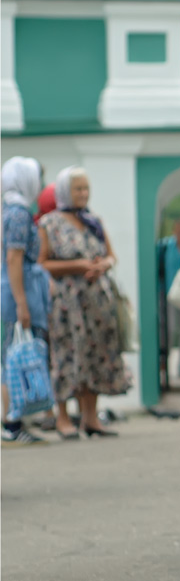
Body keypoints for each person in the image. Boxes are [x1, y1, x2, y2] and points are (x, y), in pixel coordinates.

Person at [38, 166, 130, 439]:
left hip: (96, 302)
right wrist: (76, 265)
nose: (83, 194)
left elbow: (112, 255)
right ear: (66, 191)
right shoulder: (49, 223)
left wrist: (103, 265)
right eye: (78, 188)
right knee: (67, 355)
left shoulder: (93, 221)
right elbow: (42, 262)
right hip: (68, 303)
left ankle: (90, 418)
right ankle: (63, 417)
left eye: (86, 188)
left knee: (95, 354)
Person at [1, 157, 50, 446]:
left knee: (12, 354)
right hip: (17, 290)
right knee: (15, 355)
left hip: (13, 287)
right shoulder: (18, 212)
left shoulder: (8, 208)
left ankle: (14, 418)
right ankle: (12, 420)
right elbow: (13, 257)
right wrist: (21, 302)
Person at [158, 218, 180, 382]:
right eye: (179, 231)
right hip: (168, 296)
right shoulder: (165, 247)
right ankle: (164, 361)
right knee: (169, 330)